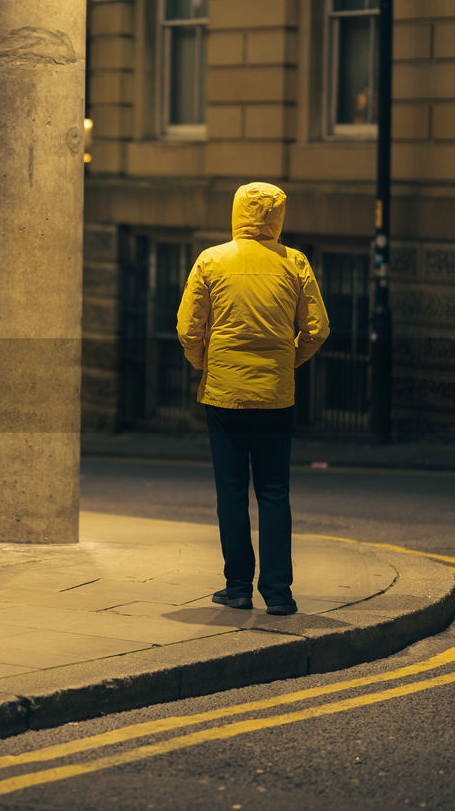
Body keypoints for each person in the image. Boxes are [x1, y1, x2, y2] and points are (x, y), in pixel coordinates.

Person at [175, 182, 330, 615]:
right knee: (275, 491)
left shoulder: (212, 260)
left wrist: (205, 364)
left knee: (231, 491)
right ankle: (279, 593)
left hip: (224, 395)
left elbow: (189, 328)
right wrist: (287, 362)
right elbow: (317, 329)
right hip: (276, 396)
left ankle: (238, 586)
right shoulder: (294, 263)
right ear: (278, 216)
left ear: (237, 211)